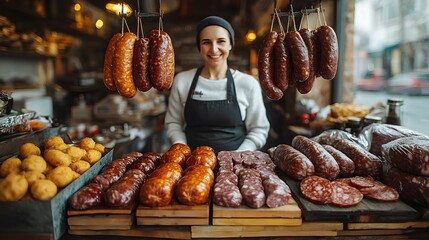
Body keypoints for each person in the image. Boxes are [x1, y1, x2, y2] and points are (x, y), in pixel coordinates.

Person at [164, 16, 270, 153]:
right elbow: (174, 124)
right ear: (199, 47)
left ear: (230, 44)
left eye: (221, 41)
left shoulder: (248, 84)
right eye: (206, 42)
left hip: (235, 166)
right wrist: (181, 150)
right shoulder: (182, 81)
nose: (214, 49)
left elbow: (259, 129)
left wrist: (238, 155)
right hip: (190, 166)